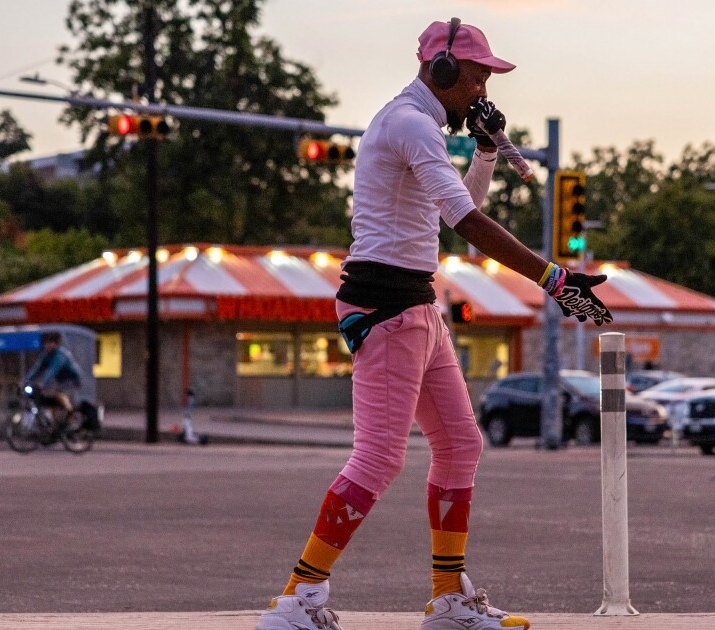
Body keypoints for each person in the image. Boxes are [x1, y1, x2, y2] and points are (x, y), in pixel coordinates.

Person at [254, 18, 612, 630]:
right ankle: (298, 598)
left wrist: (488, 152)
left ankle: (447, 598)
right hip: (388, 304)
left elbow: (453, 208)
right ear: (441, 70)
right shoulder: (410, 124)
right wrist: (552, 278)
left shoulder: (419, 129)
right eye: (476, 77)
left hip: (415, 302)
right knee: (377, 458)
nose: (481, 90)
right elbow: (466, 220)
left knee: (460, 445)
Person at [24, 331, 85, 426]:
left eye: (49, 343)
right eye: (45, 343)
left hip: (72, 379)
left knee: (58, 394)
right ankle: (56, 424)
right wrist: (25, 381)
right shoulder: (46, 354)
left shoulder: (61, 355)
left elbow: (52, 370)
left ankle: (71, 413)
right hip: (60, 381)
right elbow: (37, 369)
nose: (47, 345)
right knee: (50, 400)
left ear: (56, 344)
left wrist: (42, 383)